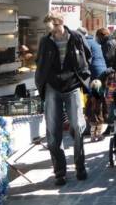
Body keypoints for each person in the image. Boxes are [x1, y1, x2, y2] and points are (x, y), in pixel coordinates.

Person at [35, 11, 91, 186]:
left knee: (78, 127)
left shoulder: (75, 37)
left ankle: (80, 166)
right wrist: (42, 82)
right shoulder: (45, 41)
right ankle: (60, 172)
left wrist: (84, 76)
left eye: (51, 28)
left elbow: (87, 55)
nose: (50, 32)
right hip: (52, 87)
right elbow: (40, 61)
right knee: (53, 131)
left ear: (59, 23)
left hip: (72, 86)